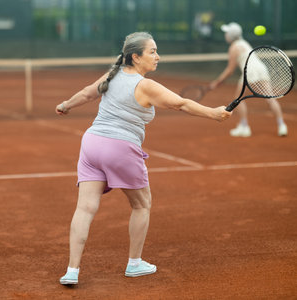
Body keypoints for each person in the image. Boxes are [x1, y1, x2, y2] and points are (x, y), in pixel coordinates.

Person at [55, 32, 231, 285]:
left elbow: (86, 94)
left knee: (84, 208)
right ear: (135, 57)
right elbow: (180, 104)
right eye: (152, 52)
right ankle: (134, 264)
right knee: (141, 205)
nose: (157, 56)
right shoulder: (145, 85)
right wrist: (213, 113)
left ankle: (72, 270)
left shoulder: (112, 75)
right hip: (120, 148)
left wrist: (65, 105)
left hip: (91, 143)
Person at [210, 22, 288, 137]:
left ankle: (244, 127)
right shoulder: (244, 43)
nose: (225, 35)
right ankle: (282, 125)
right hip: (261, 69)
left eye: (226, 33)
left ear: (230, 36)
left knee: (238, 99)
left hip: (249, 72)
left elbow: (230, 70)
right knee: (271, 98)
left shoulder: (233, 47)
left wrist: (217, 82)